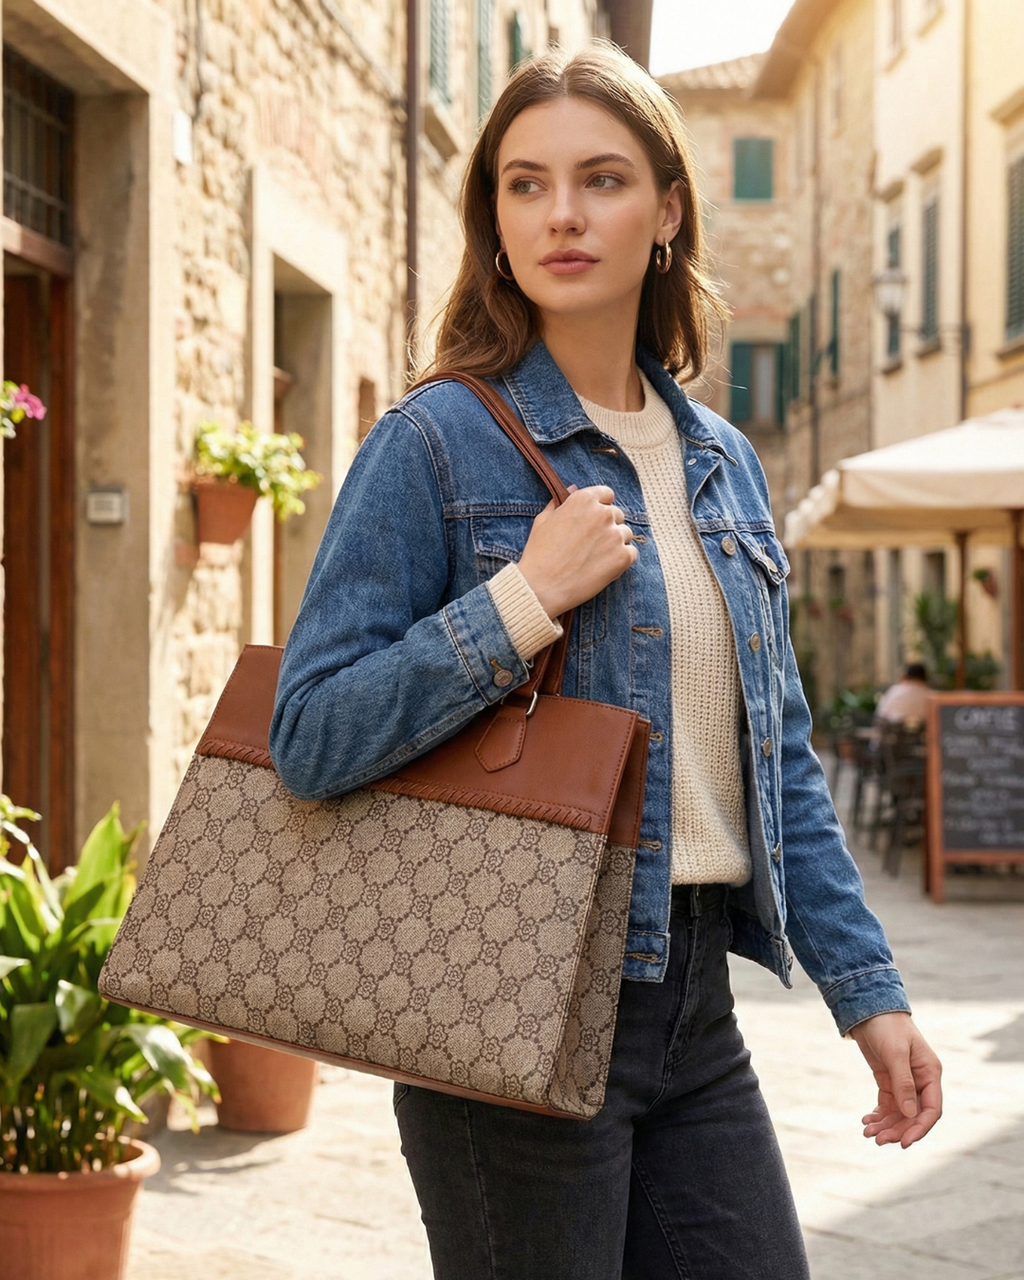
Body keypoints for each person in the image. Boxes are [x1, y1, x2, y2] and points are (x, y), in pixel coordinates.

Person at [270, 42, 942, 1280]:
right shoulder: (431, 443)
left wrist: (870, 991)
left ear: (668, 209)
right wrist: (523, 599)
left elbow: (777, 754)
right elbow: (307, 735)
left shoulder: (722, 466)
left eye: (600, 178)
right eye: (523, 185)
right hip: (509, 997)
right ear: (494, 219)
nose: (561, 214)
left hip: (695, 1005)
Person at [875, 662, 931, 726]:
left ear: (906, 676)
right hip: (921, 733)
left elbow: (881, 713)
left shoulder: (895, 690)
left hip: (891, 731)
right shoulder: (929, 695)